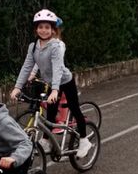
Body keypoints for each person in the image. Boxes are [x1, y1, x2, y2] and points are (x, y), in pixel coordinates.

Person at [10, 9, 92, 159]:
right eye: (40, 27)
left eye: (47, 27)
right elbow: (27, 66)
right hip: (51, 83)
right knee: (50, 113)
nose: (44, 30)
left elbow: (57, 68)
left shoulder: (57, 46)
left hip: (65, 81)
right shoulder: (33, 46)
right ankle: (47, 141)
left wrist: (55, 90)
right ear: (36, 29)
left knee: (74, 108)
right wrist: (17, 87)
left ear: (53, 30)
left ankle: (84, 140)